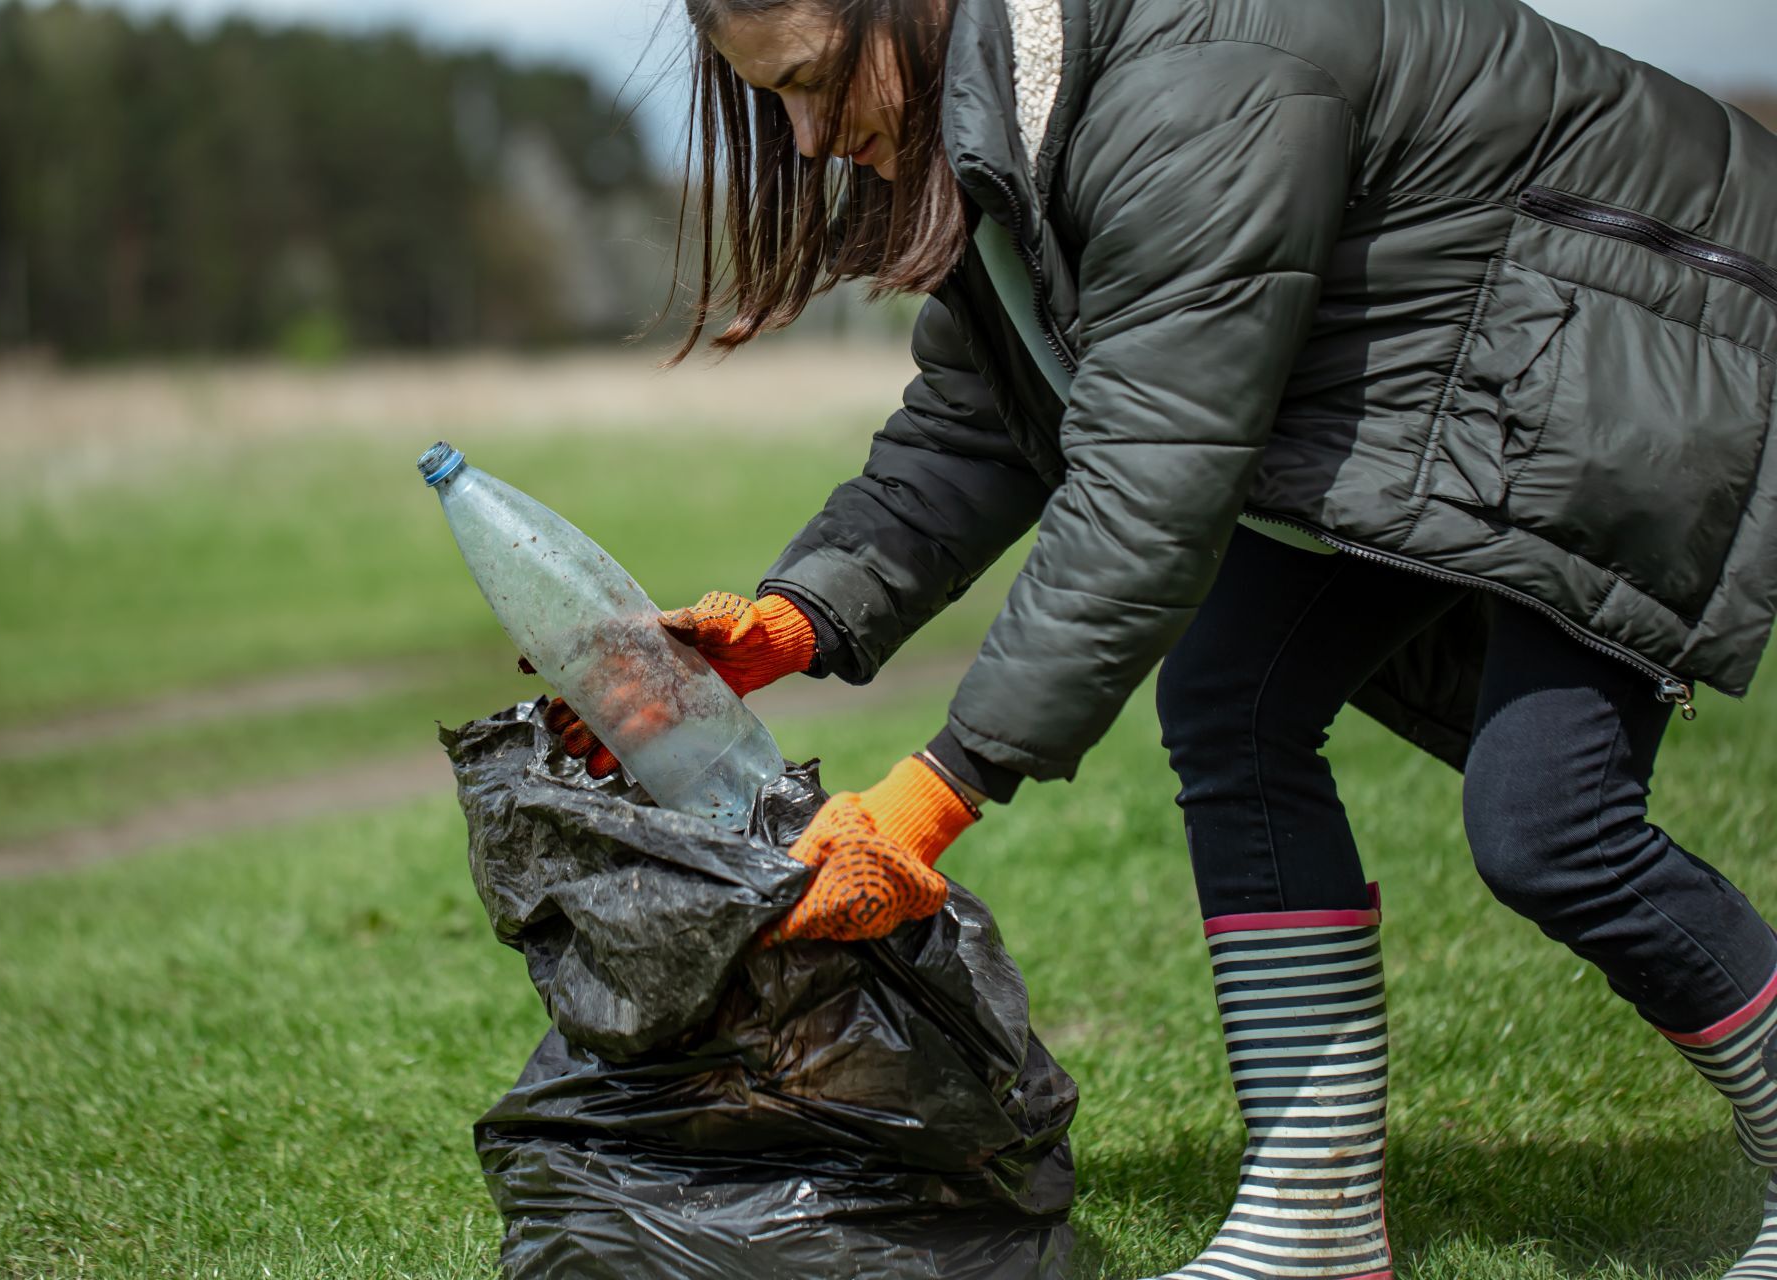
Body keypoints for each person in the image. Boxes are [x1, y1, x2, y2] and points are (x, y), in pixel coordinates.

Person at [549, 0, 1777, 1274]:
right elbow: (986, 412)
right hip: (1468, 375)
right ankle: (1314, 1222)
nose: (802, 141)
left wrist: (936, 790)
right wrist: (797, 614)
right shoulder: (1004, 112)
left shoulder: (1185, 96)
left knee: (1553, 829)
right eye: (773, 102)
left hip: (1653, 355)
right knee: (1230, 703)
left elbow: (1148, 484)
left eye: (809, 84)